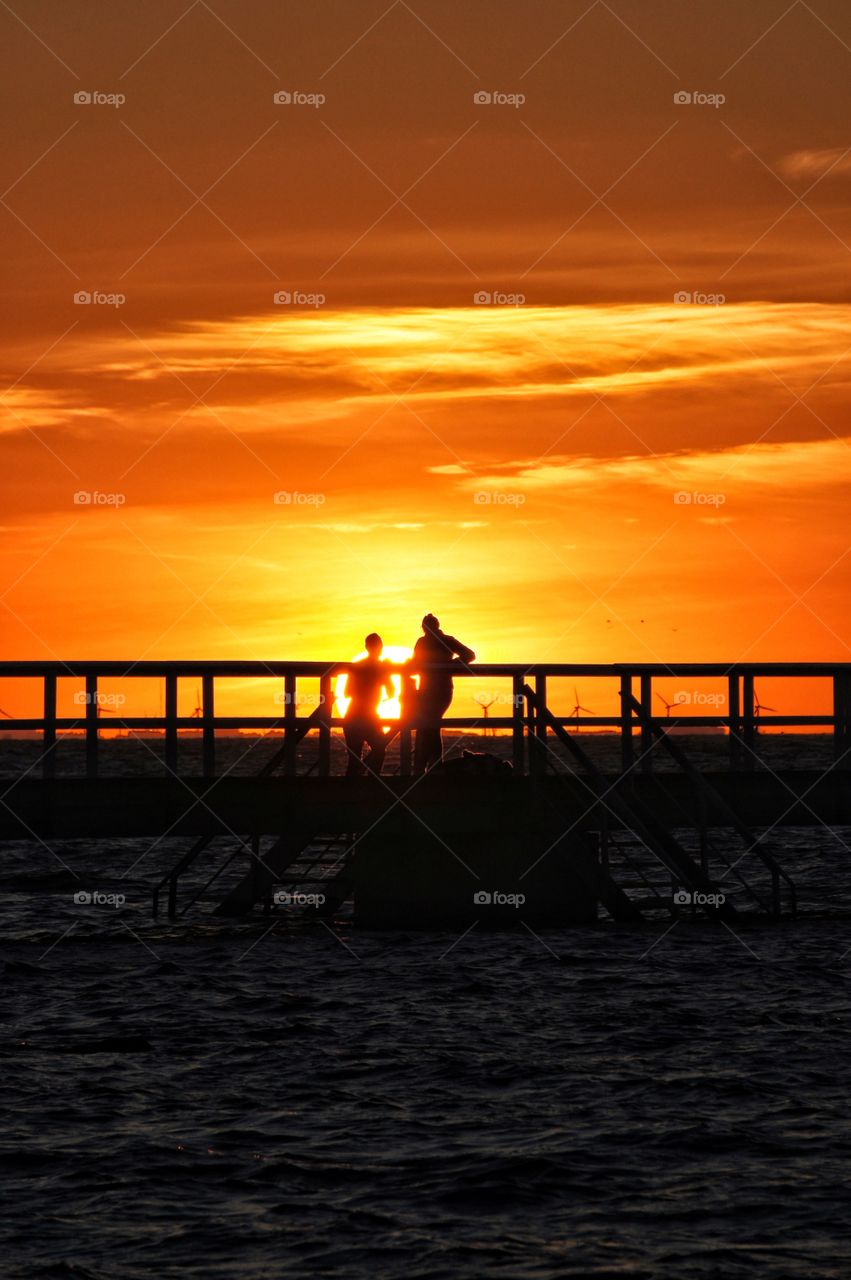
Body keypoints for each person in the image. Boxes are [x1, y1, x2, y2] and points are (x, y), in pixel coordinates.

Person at [410, 614, 475, 772]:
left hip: (430, 690)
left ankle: (427, 766)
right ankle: (432, 765)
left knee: (428, 726)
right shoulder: (446, 640)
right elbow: (469, 655)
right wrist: (450, 664)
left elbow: (414, 663)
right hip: (441, 690)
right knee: (432, 726)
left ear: (424, 628)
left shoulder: (425, 642)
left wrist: (447, 665)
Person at [342, 633, 394, 777]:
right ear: (381, 648)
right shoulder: (382, 668)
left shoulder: (356, 666)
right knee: (379, 748)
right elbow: (391, 692)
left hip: (352, 716)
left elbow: (347, 692)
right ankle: (372, 782)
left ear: (366, 647)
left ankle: (349, 793)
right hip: (369, 716)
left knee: (354, 760)